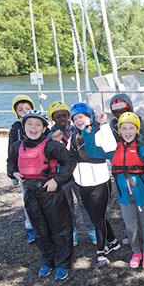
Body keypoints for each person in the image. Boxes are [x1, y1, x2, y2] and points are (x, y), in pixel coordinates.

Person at [7, 110, 76, 281]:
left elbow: (69, 162)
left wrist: (57, 180)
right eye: (29, 124)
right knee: (39, 230)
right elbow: (11, 163)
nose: (33, 128)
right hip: (31, 193)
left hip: (51, 192)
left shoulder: (51, 145)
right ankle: (47, 260)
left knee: (59, 229)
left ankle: (62, 263)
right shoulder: (17, 146)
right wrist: (13, 173)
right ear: (23, 127)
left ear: (45, 128)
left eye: (38, 124)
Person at [70, 102, 121, 268]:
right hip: (82, 184)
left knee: (97, 220)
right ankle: (113, 241)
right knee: (96, 217)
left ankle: (101, 251)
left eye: (82, 117)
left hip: (100, 183)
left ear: (89, 117)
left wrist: (104, 124)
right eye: (76, 118)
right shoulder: (73, 137)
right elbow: (68, 157)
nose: (79, 120)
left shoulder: (98, 132)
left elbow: (111, 146)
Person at [111, 112, 144, 270]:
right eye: (124, 128)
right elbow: (93, 151)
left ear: (137, 130)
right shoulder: (113, 148)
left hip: (143, 195)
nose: (127, 131)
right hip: (125, 197)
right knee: (130, 227)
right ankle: (136, 252)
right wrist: (90, 131)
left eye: (131, 128)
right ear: (119, 130)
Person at [47, 101, 93, 248]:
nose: (62, 118)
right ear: (53, 118)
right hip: (62, 175)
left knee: (84, 203)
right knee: (66, 206)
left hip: (78, 173)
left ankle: (91, 230)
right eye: (58, 116)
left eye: (64, 115)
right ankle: (71, 232)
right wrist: (53, 142)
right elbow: (46, 154)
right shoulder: (49, 135)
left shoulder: (75, 130)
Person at [9, 94, 37, 244]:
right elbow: (11, 151)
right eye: (20, 109)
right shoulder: (16, 129)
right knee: (28, 199)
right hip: (23, 172)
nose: (24, 111)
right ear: (16, 112)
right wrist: (12, 173)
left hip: (41, 171)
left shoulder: (40, 125)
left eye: (27, 108)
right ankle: (31, 228)